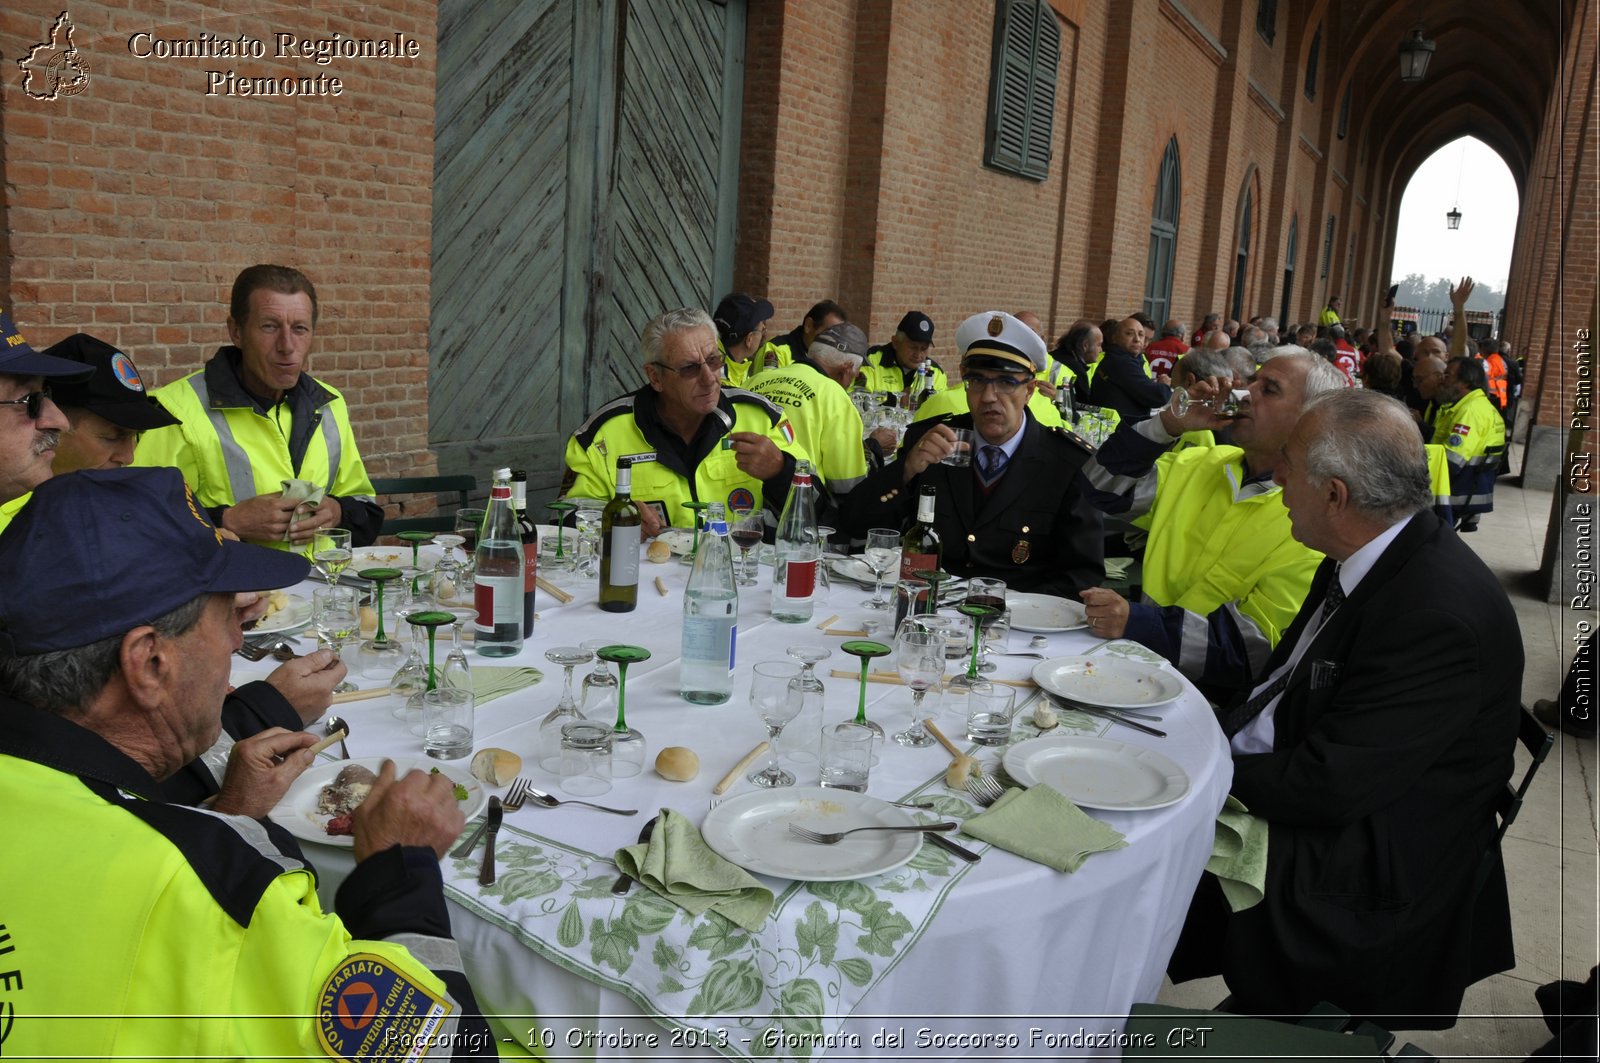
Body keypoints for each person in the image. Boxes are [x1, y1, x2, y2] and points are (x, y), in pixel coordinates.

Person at [0, 467, 492, 1056]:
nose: (240, 636)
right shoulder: (211, 884)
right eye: (227, 614)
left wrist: (223, 809)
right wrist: (400, 870)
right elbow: (448, 1049)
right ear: (150, 663)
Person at [1169, 389, 1521, 1026]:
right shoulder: (1367, 552)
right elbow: (1279, 688)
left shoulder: (1436, 616)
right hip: (1338, 802)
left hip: (1370, 881)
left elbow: (1324, 785)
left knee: (1139, 849)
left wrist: (1189, 771)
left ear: (1335, 495)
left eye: (1290, 467)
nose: (1275, 475)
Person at [0, 328, 344, 806]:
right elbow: (96, 762)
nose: (54, 420)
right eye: (29, 402)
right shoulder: (32, 533)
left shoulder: (57, 511)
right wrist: (259, 715)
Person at [1079, 349, 1346, 702]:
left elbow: (1254, 649)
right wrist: (1167, 424)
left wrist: (1138, 622)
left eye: (1270, 389)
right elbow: (1100, 486)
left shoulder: (1314, 519)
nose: (1245, 393)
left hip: (1210, 704)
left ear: (1308, 419)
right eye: (1252, 381)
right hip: (1131, 669)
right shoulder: (1203, 462)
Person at [841, 311, 1103, 597]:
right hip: (929, 610)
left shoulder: (1065, 462)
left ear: (1029, 390)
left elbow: (1082, 577)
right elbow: (853, 522)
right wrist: (905, 471)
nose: (989, 396)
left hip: (1016, 626)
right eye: (977, 381)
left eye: (1005, 382)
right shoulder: (933, 440)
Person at [133, 264, 382, 549]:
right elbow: (137, 523)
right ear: (236, 331)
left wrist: (337, 512)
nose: (287, 345)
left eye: (299, 328)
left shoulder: (330, 404)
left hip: (323, 589)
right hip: (238, 592)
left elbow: (367, 510)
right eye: (270, 326)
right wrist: (228, 520)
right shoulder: (173, 411)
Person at [561, 306, 808, 539]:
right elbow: (563, 519)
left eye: (714, 361)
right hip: (644, 578)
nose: (709, 379)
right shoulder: (602, 434)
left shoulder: (760, 417)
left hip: (740, 574)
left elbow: (815, 507)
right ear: (655, 377)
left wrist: (780, 470)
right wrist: (614, 518)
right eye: (689, 368)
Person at [749, 323, 872, 498]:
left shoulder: (756, 380)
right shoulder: (835, 396)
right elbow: (847, 485)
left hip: (741, 499)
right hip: (796, 504)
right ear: (846, 369)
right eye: (855, 373)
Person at [1434, 356, 1508, 530]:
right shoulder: (1476, 406)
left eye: (1448, 375)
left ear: (1465, 382)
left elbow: (1451, 462)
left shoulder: (1471, 412)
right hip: (1467, 488)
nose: (1442, 380)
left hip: (1456, 492)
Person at [1088, 316, 1170, 422]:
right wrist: (1164, 385)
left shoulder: (1128, 359)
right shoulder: (1121, 362)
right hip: (1119, 430)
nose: (1137, 339)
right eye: (1129, 334)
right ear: (1115, 338)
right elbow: (1157, 396)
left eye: (1141, 334)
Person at [858, 311, 948, 398]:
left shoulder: (936, 373)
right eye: (913, 347)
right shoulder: (871, 360)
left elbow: (942, 408)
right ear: (896, 342)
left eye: (924, 349)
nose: (918, 355)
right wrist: (897, 400)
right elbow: (858, 398)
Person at [712, 291, 780, 388]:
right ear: (749, 339)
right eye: (762, 330)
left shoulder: (736, 364)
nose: (764, 333)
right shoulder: (719, 380)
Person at [767, 299, 846, 367]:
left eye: (838, 336)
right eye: (829, 334)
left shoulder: (841, 356)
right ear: (809, 326)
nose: (833, 342)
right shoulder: (776, 350)